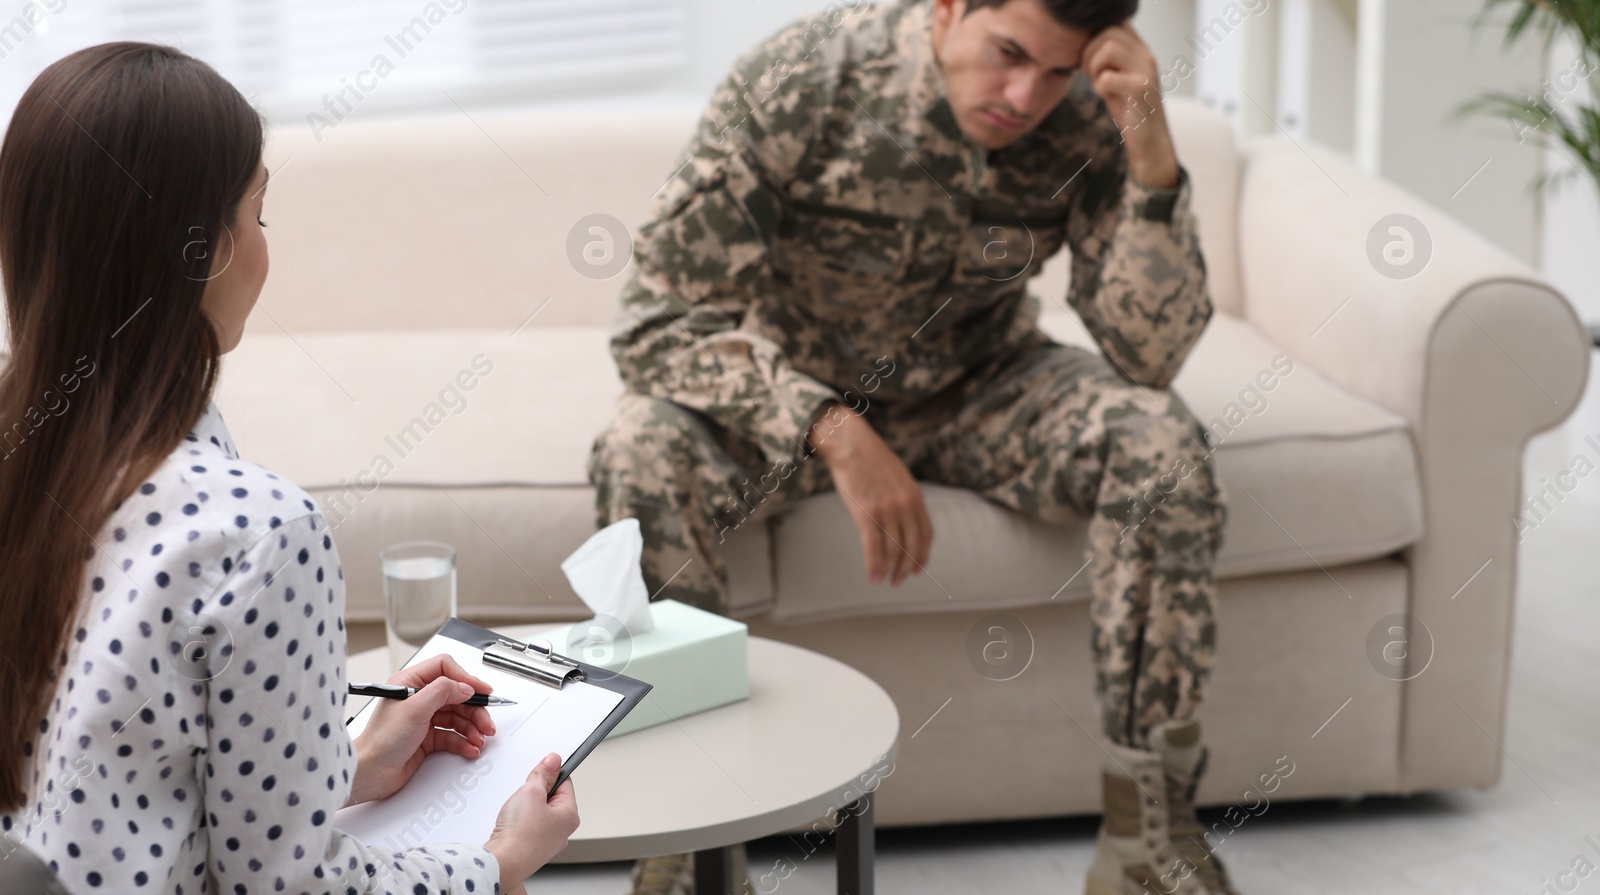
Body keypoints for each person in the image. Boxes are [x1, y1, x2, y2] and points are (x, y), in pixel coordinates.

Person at [589, 0, 1234, 892]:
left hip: (981, 386)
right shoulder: (807, 79)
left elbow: (1149, 354)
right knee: (639, 445)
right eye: (1007, 53)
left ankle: (1147, 840)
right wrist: (833, 428)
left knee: (1163, 443)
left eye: (1056, 72)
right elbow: (655, 326)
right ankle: (693, 844)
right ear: (946, 8)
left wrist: (1152, 156)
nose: (1023, 96)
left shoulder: (1091, 111)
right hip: (797, 396)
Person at [0, 42, 578, 895]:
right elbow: (283, 887)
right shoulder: (260, 532)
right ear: (202, 249)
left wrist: (336, 766)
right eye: (258, 215)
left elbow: (110, 785)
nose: (265, 249)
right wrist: (496, 864)